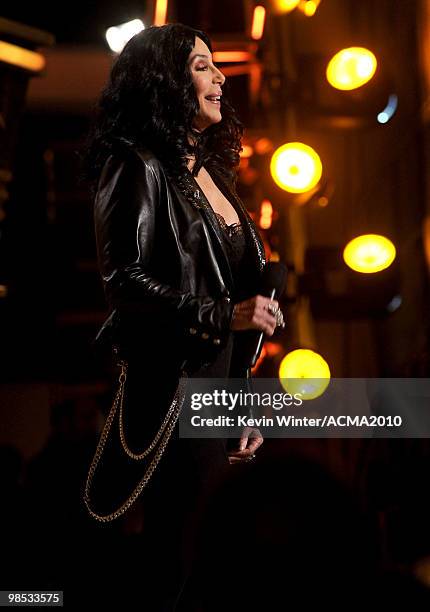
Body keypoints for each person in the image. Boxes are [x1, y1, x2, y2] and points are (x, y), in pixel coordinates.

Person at [81, 23, 285, 610]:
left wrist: (244, 398)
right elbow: (124, 282)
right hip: (172, 396)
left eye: (215, 64)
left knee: (225, 567)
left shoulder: (214, 177)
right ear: (164, 82)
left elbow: (240, 304)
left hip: (220, 398)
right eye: (202, 66)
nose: (221, 77)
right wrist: (221, 313)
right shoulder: (135, 164)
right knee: (182, 567)